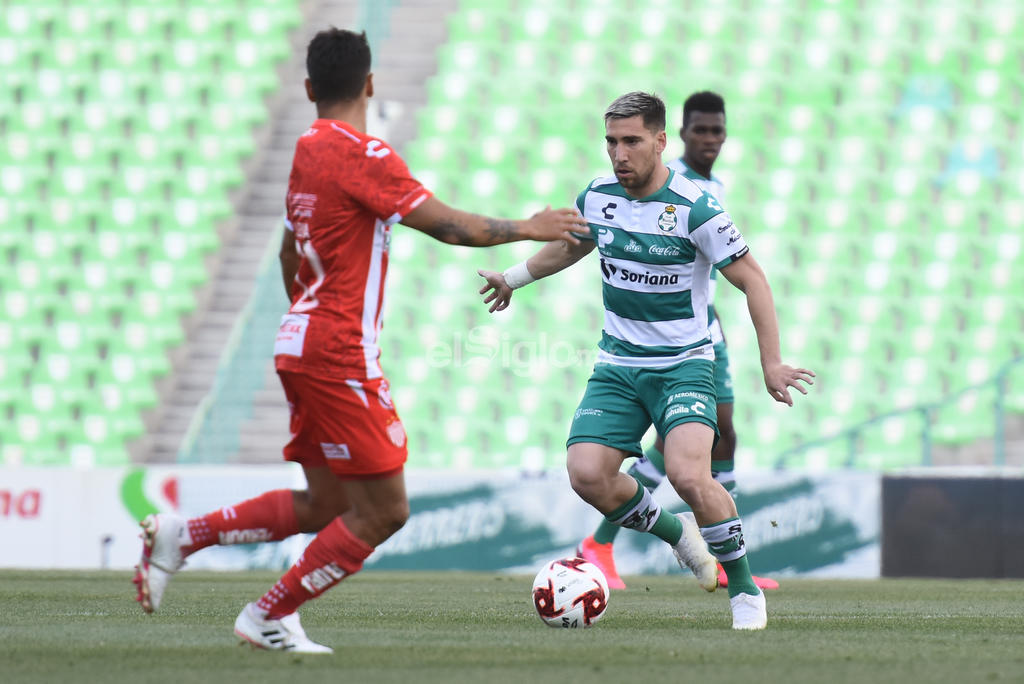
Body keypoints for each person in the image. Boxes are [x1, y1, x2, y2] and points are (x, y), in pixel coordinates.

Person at [132, 28, 587, 654]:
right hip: (336, 350)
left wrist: (308, 315)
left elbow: (289, 251)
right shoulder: (363, 154)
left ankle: (183, 537)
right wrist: (529, 227)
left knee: (325, 504)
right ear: (370, 83)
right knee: (384, 511)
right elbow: (450, 227)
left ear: (309, 89)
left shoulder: (306, 151)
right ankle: (268, 613)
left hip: (299, 341)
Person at [478, 92, 813, 630]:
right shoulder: (597, 196)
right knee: (587, 474)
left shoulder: (696, 207)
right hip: (617, 365)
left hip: (683, 366)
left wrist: (770, 361)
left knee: (688, 475)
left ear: (659, 142)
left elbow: (753, 279)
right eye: (611, 141)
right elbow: (572, 246)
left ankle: (745, 590)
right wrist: (514, 277)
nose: (619, 154)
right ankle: (679, 536)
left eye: (631, 141)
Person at [576, 91, 778, 592]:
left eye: (717, 131)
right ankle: (608, 541)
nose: (710, 139)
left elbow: (719, 268)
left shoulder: (711, 186)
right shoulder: (667, 184)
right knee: (688, 443)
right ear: (677, 137)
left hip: (702, 331)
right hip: (671, 340)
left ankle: (721, 554)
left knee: (712, 436)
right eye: (701, 131)